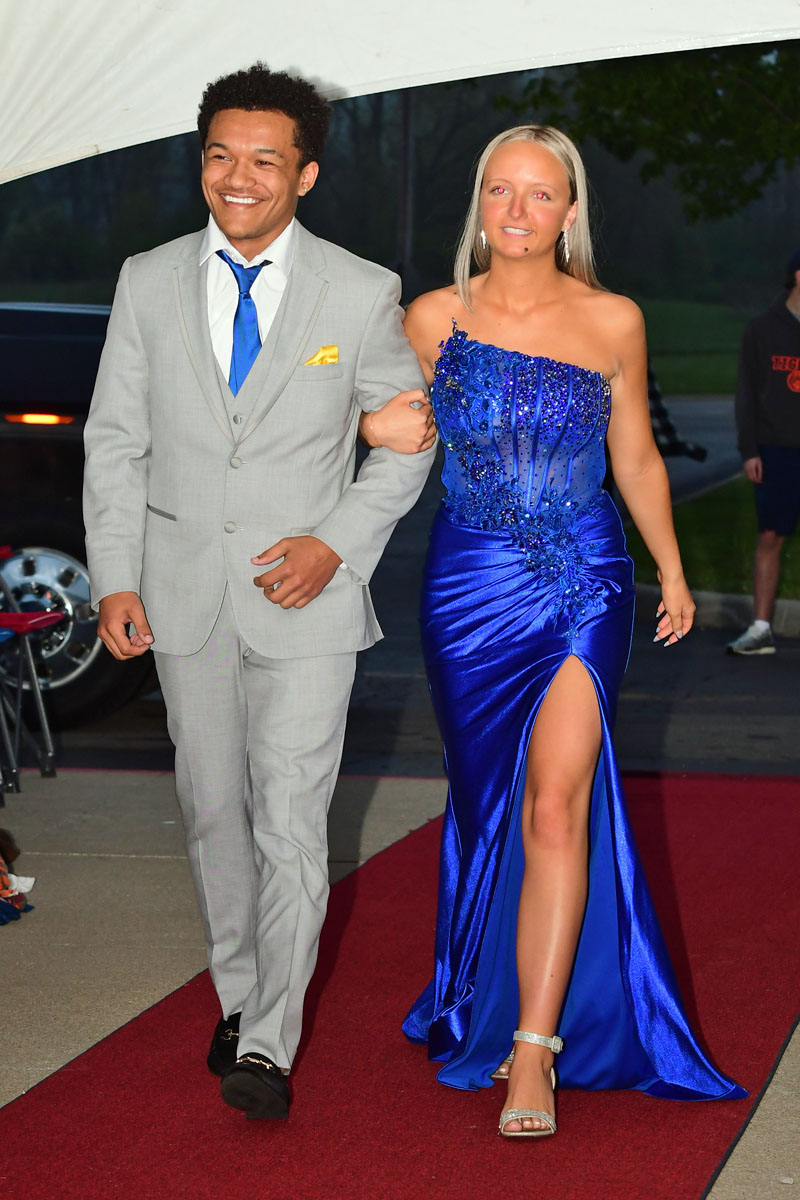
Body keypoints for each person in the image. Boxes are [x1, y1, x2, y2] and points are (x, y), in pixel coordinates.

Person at [365, 125, 746, 1138]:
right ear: (478, 204)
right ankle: (475, 986)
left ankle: (534, 1048)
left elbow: (636, 456)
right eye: (501, 190)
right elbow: (369, 419)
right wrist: (367, 425)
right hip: (467, 587)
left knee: (553, 807)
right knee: (487, 802)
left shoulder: (613, 319)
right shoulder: (431, 318)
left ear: (570, 211)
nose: (519, 211)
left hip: (583, 579)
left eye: (540, 194)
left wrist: (670, 569)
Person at [83, 62, 435, 1121]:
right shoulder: (146, 279)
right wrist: (114, 577)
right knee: (211, 812)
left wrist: (336, 544)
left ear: (305, 174)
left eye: (265, 161)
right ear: (203, 163)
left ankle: (268, 1045)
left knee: (290, 819)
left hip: (306, 604)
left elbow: (408, 442)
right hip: (180, 593)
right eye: (221, 157)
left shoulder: (359, 291)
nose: (239, 178)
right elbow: (115, 441)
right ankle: (239, 995)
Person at [727, 250, 800, 656]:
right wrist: (750, 449)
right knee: (770, 536)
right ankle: (760, 630)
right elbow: (746, 394)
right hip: (775, 449)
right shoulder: (762, 329)